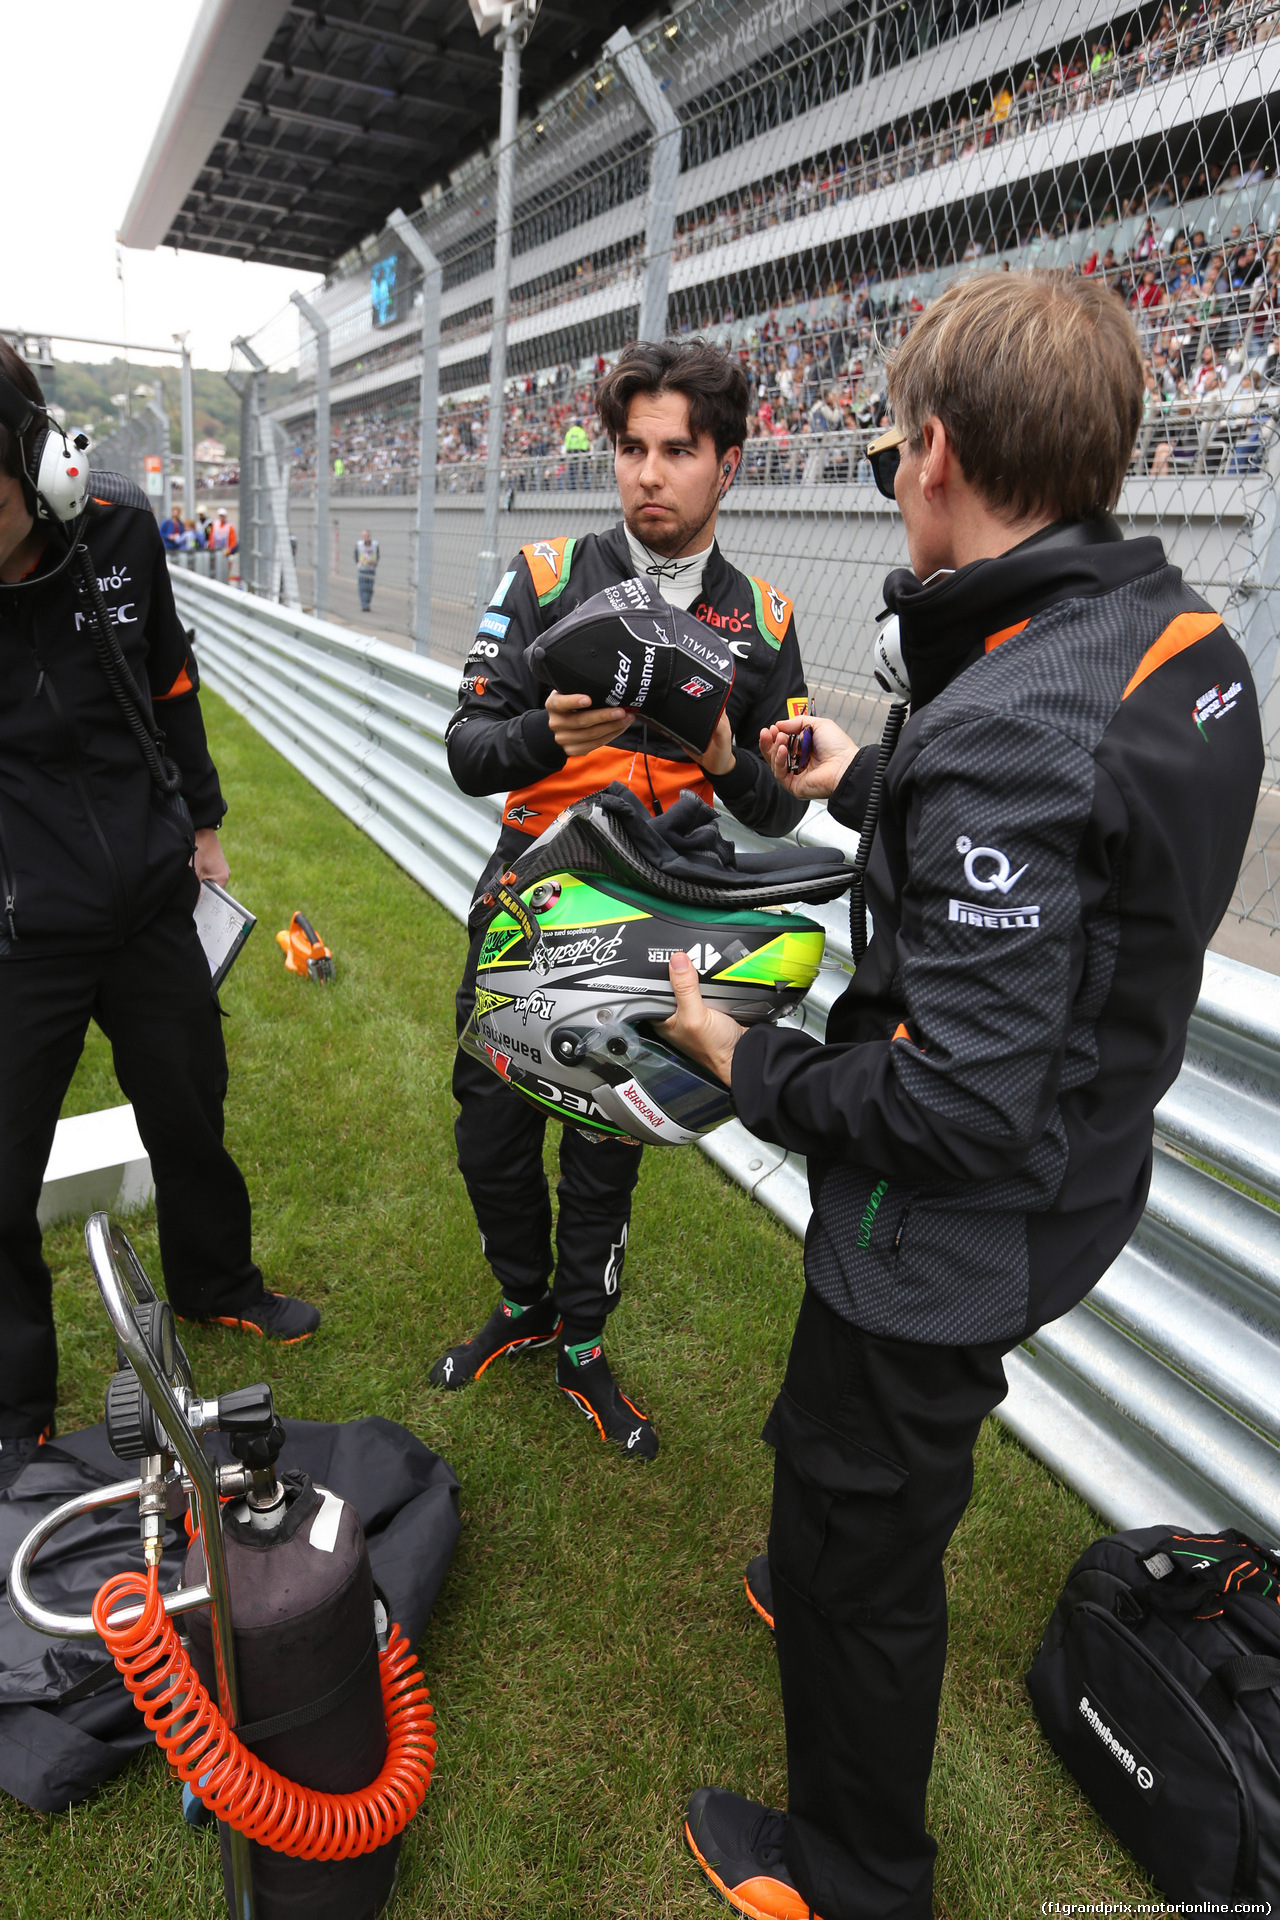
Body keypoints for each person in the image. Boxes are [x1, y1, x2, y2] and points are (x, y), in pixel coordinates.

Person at [662, 273, 1263, 1920]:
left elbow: (961, 1110)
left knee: (868, 1527)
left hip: (957, 1222)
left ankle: (854, 1873)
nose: (889, 485)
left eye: (881, 462)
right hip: (1085, 1172)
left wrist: (752, 1063)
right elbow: (1088, 887)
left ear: (933, 455)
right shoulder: (1180, 646)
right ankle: (824, 1555)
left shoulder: (1016, 725)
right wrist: (869, 779)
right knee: (846, 1470)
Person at [437, 339, 812, 1459]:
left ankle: (585, 1348)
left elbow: (781, 809)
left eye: (676, 451)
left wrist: (722, 749)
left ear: (726, 464)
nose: (648, 473)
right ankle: (522, 1303)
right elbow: (465, 750)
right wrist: (540, 733)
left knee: (604, 1145)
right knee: (490, 1130)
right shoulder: (544, 574)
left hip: (664, 915)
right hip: (528, 895)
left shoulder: (766, 619)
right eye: (630, 449)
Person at [0, 344, 320, 1487]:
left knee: (189, 1111)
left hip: (146, 899)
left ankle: (219, 1285)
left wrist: (205, 821)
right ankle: (11, 1403)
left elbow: (172, 682)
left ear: (41, 468)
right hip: (17, 932)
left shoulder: (124, 533)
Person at [354, 528, 379, 611]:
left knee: (370, 588)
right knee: (363, 587)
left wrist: (375, 563)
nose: (366, 537)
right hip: (362, 569)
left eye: (367, 535)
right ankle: (364, 605)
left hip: (371, 569)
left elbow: (377, 555)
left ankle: (367, 602)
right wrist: (359, 563)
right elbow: (356, 555)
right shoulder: (359, 544)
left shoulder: (375, 544)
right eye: (364, 535)